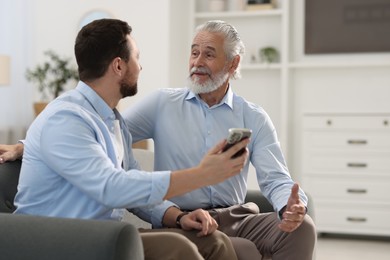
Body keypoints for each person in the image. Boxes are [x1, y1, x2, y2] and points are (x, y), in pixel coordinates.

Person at [0, 20, 316, 259]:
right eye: (194, 52)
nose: (196, 61)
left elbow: (125, 178)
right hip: (63, 236)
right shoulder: (68, 118)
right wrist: (200, 177)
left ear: (233, 64)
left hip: (215, 216)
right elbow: (111, 185)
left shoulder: (114, 122)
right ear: (118, 66)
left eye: (208, 54)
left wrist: (178, 215)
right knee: (193, 246)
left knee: (292, 232)